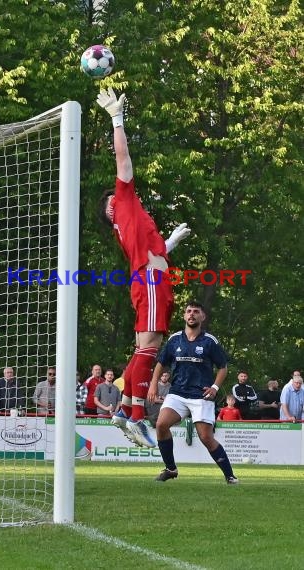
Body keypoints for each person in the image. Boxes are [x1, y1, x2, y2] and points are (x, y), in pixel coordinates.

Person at [97, 87, 191, 447]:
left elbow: (152, 252)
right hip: (151, 282)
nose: (120, 190)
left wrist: (172, 243)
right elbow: (123, 160)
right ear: (110, 207)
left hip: (151, 278)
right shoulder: (121, 202)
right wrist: (117, 119)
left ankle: (123, 409)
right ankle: (136, 416)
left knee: (143, 350)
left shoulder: (130, 221)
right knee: (149, 350)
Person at [148, 301, 239, 484]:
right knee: (161, 425)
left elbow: (223, 367)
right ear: (184, 316)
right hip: (177, 393)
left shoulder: (209, 341)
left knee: (206, 437)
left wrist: (214, 388)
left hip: (201, 395)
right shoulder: (175, 339)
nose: (191, 314)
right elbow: (160, 363)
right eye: (188, 311)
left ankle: (230, 476)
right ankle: (171, 469)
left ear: (202, 317)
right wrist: (153, 385)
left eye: (196, 311)